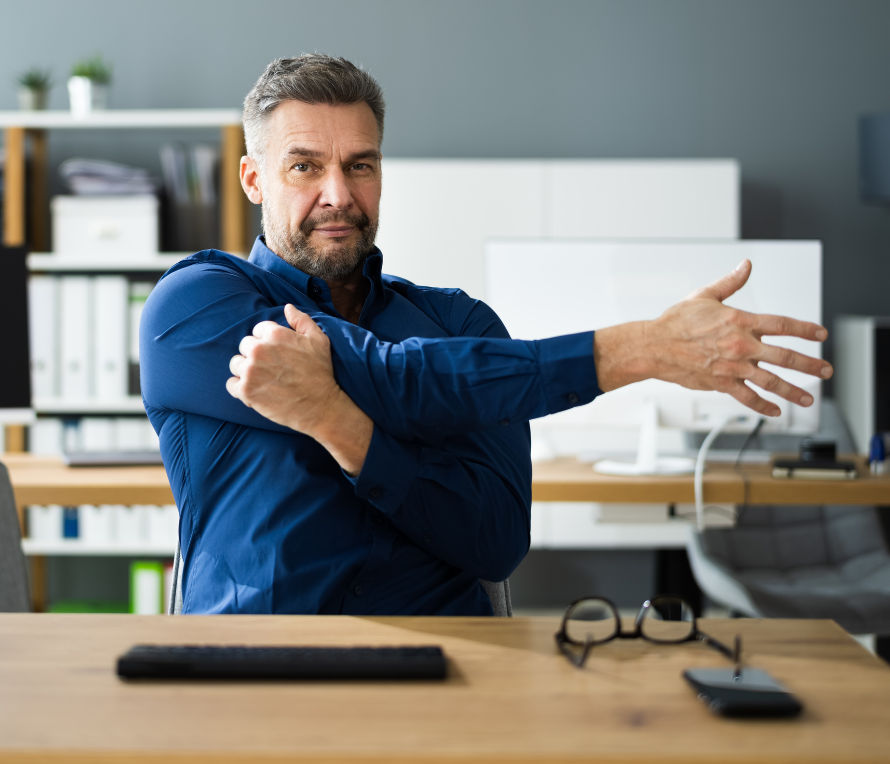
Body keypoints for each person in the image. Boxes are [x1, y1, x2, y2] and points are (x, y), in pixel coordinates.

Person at [139, 53, 831, 615]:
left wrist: (338, 425)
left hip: (440, 678)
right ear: (254, 179)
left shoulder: (459, 324)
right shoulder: (197, 304)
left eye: (361, 165)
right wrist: (643, 348)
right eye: (304, 166)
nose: (339, 194)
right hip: (252, 679)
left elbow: (496, 543)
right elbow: (398, 380)